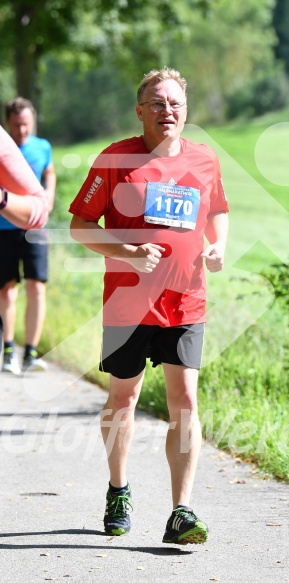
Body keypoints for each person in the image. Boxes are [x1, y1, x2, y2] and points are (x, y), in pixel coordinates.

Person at [69, 67, 229, 544]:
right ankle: (119, 489)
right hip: (128, 303)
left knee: (185, 401)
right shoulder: (115, 159)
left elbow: (217, 210)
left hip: (186, 300)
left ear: (186, 111)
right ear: (140, 112)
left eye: (175, 103)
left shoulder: (203, 161)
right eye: (157, 103)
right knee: (124, 399)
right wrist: (128, 253)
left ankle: (181, 511)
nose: (167, 111)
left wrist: (218, 245)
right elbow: (80, 225)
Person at [0, 98, 56, 375]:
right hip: (3, 228)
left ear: (32, 121)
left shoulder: (42, 146)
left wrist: (50, 197)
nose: (21, 130)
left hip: (34, 229)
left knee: (36, 286)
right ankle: (9, 349)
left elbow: (49, 171)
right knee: (7, 288)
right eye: (16, 125)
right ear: (8, 123)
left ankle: (31, 353)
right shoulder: (4, 147)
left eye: (26, 124)